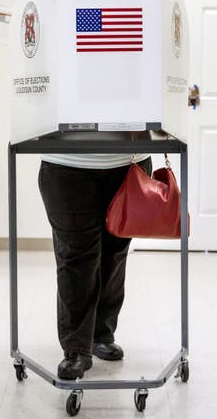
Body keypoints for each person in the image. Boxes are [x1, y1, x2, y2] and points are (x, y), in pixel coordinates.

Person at [38, 152, 152, 380]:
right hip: (66, 163)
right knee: (76, 257)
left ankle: (101, 334)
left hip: (127, 161)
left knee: (115, 253)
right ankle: (77, 348)